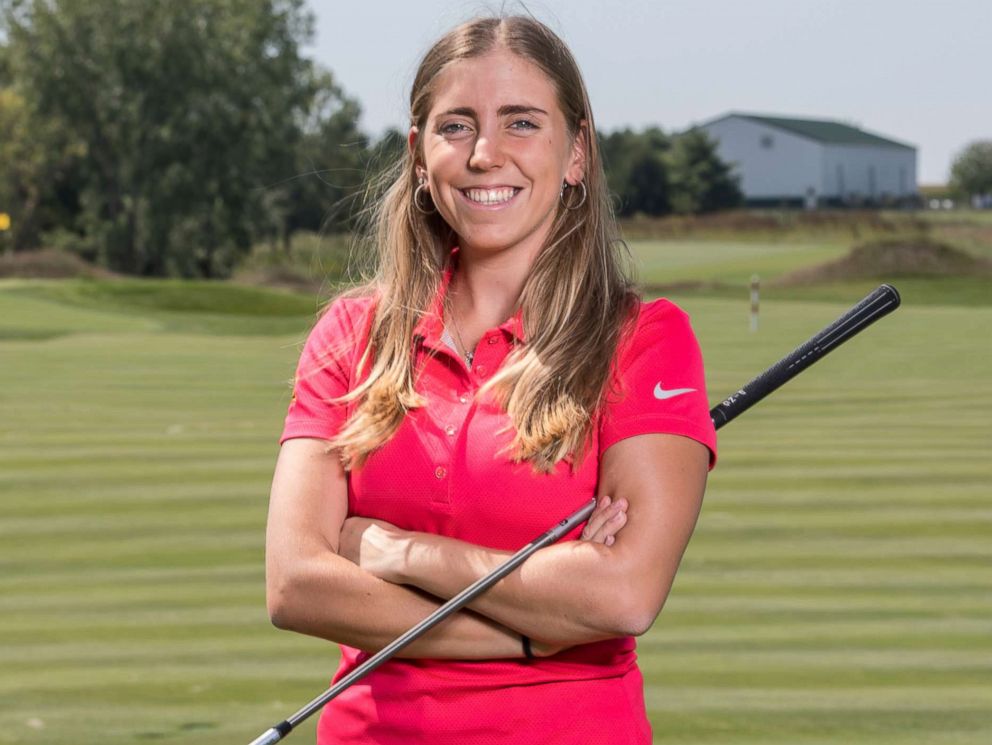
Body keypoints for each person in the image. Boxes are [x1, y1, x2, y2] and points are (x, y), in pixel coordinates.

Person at [266, 15, 716, 744]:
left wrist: (392, 549)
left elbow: (624, 595)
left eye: (521, 123)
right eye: (456, 126)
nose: (484, 154)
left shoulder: (644, 340)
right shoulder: (350, 334)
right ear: (418, 156)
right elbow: (295, 584)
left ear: (577, 152)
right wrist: (536, 627)